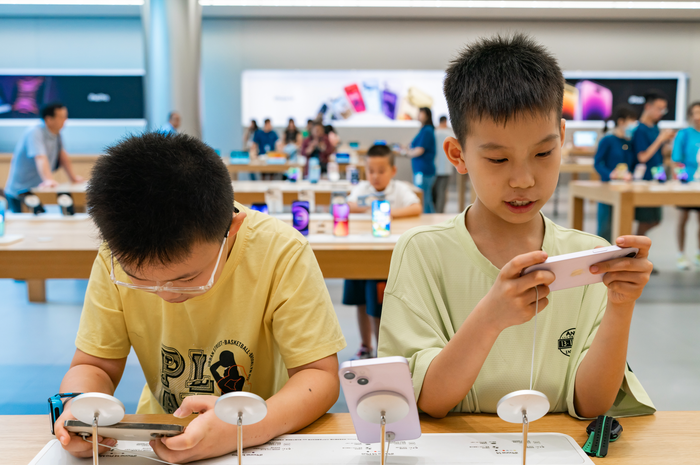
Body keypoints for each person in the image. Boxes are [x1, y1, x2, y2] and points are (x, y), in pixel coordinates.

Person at [378, 34, 655, 421]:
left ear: (561, 138)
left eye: (543, 153)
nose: (523, 180)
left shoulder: (589, 257)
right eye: (497, 159)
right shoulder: (422, 252)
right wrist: (491, 317)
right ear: (458, 155)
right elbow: (428, 401)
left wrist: (621, 306)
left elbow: (592, 405)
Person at [52, 132, 346, 463]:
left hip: (265, 434)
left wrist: (245, 426)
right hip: (161, 430)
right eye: (140, 280)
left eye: (187, 278)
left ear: (230, 229)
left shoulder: (280, 252)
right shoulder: (115, 257)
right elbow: (94, 365)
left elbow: (319, 376)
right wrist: (79, 408)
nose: (166, 294)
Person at [344, 144, 422, 359]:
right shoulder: (362, 189)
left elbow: (416, 207)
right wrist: (370, 209)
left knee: (377, 304)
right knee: (360, 301)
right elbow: (349, 205)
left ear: (393, 171)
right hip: (359, 252)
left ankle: (382, 351)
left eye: (381, 171)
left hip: (382, 258)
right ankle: (365, 345)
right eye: (370, 171)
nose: (375, 177)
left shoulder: (399, 189)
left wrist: (387, 212)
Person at [4, 102, 84, 212]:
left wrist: (73, 178)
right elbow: (40, 157)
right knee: (23, 225)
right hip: (20, 191)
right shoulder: (35, 132)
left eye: (65, 117)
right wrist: (49, 180)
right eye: (61, 117)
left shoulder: (56, 134)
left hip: (35, 190)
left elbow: (62, 156)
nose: (65, 120)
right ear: (49, 119)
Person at [631, 90, 675, 238]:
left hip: (657, 176)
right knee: (646, 219)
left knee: (656, 219)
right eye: (658, 108)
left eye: (664, 109)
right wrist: (660, 140)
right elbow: (642, 157)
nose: (661, 112)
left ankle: (636, 248)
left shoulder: (655, 128)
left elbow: (659, 153)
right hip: (644, 179)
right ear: (648, 107)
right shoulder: (640, 130)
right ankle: (634, 249)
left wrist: (668, 142)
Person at [594, 105, 638, 242]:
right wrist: (609, 174)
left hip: (625, 188)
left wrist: (631, 174)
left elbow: (632, 163)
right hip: (608, 187)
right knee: (605, 225)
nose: (633, 125)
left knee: (624, 225)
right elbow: (597, 163)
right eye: (631, 121)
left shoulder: (629, 142)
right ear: (621, 121)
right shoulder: (608, 140)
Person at [671, 101, 700, 270]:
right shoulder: (684, 134)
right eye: (695, 113)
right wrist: (681, 179)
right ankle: (681, 254)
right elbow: (676, 160)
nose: (698, 116)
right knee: (683, 218)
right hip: (687, 183)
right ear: (690, 115)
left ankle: (698, 253)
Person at [405, 107, 437, 213]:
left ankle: (429, 223)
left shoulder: (427, 130)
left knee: (424, 199)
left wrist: (407, 153)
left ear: (427, 115)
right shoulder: (424, 130)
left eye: (421, 113)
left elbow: (420, 150)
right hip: (421, 170)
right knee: (425, 198)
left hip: (423, 171)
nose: (418, 115)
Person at [433, 116, 455, 213]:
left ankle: (434, 211)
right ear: (445, 122)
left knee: (434, 191)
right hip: (446, 168)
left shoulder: (434, 133)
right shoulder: (449, 134)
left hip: (435, 167)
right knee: (442, 191)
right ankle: (440, 212)